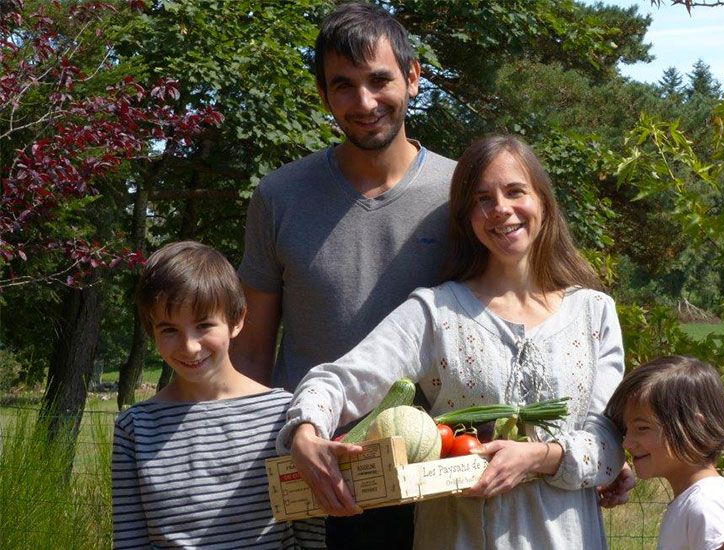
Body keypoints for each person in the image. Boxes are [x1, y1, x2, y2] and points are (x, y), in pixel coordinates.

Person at [278, 135, 626, 549]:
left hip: (568, 537)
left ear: (543, 202)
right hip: (459, 536)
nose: (501, 209)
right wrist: (305, 429)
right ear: (467, 217)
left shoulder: (593, 313)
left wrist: (539, 457)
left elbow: (607, 443)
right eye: (483, 199)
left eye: (515, 191)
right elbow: (340, 380)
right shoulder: (436, 312)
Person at [230, 4, 454, 546]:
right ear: (324, 95)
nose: (365, 102)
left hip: (439, 473)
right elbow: (252, 350)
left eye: (380, 80)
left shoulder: (463, 195)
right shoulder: (279, 196)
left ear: (414, 78)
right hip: (312, 471)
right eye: (343, 86)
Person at [111, 241, 324, 549]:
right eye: (169, 330)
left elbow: (308, 529)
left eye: (204, 325)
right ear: (150, 329)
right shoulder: (134, 427)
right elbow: (130, 540)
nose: (190, 346)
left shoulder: (285, 415)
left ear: (236, 320)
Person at [604, 355, 724, 550]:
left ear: (692, 426)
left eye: (642, 428)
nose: (627, 443)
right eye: (626, 430)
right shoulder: (692, 501)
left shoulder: (708, 505)